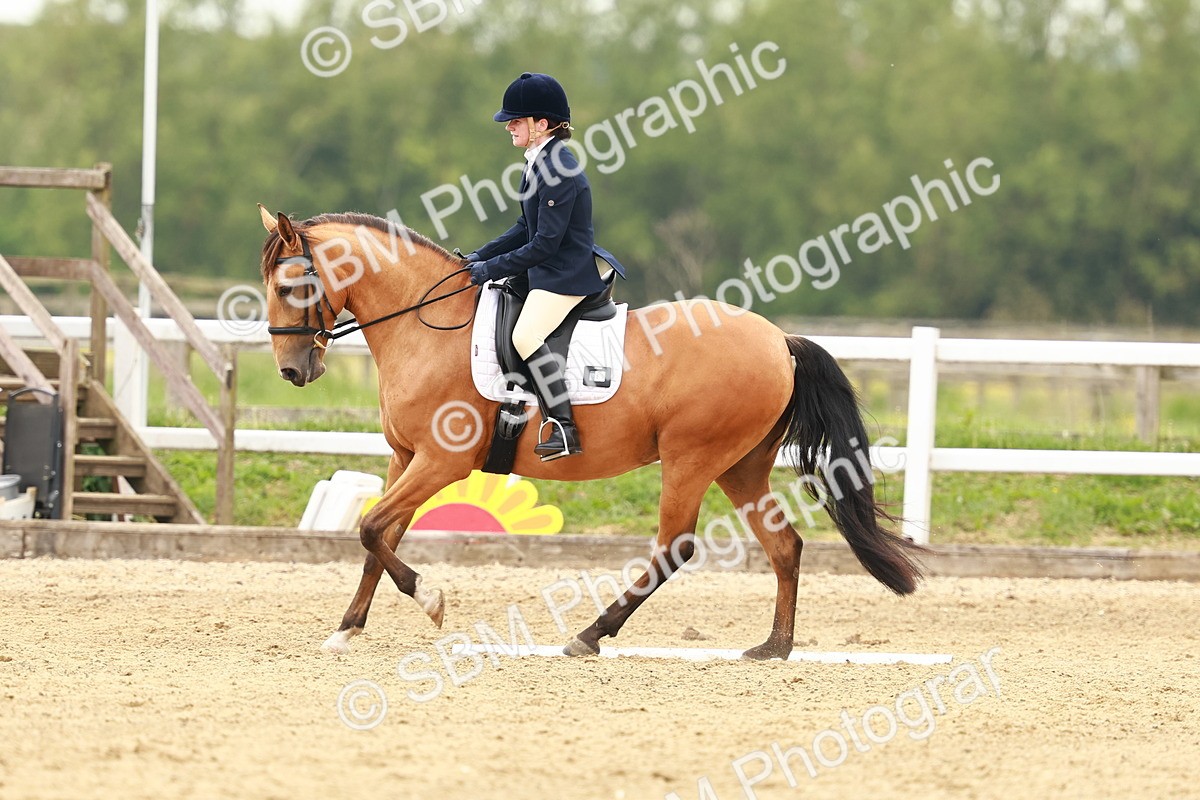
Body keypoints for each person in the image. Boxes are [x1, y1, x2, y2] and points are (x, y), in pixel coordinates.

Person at [465, 72, 625, 462]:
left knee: (525, 335)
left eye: (517, 121)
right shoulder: (538, 161)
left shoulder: (559, 169)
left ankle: (563, 426)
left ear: (543, 124)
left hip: (564, 276)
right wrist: (476, 257)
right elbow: (524, 227)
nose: (509, 127)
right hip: (548, 268)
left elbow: (544, 244)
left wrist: (489, 270)